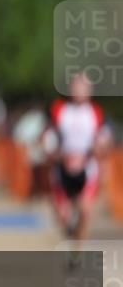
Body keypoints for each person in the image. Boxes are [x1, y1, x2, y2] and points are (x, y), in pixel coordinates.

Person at [49, 73, 104, 245]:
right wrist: (56, 153)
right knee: (63, 216)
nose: (80, 90)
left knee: (85, 211)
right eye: (76, 86)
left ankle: (78, 253)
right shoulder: (59, 109)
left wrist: (94, 151)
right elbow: (48, 137)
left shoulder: (96, 112)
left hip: (87, 170)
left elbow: (103, 142)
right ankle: (70, 233)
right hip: (62, 169)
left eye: (84, 87)